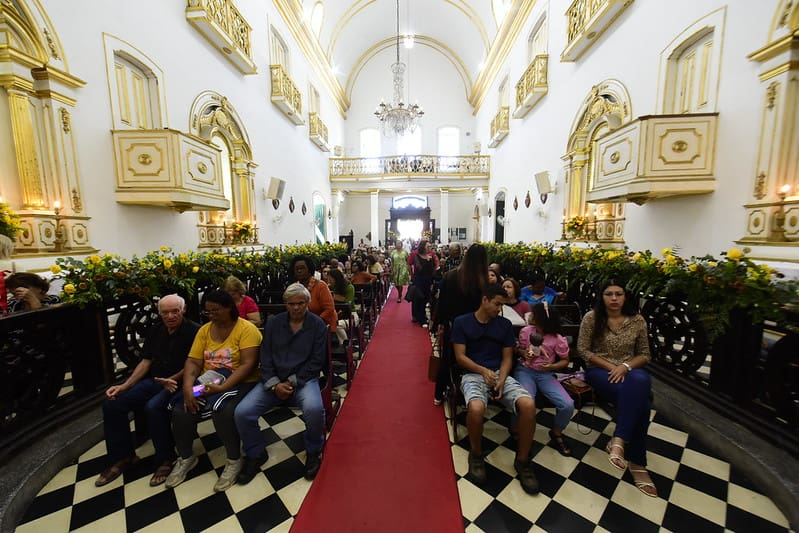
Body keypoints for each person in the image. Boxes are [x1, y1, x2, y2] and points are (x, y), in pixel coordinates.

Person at [95, 294, 200, 487]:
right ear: (159, 313)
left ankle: (165, 458)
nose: (170, 316)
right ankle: (123, 456)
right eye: (165, 312)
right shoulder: (156, 330)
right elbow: (146, 361)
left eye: (175, 311)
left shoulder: (195, 331)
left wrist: (172, 379)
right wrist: (124, 386)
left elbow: (194, 364)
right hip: (154, 380)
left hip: (179, 382)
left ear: (183, 310)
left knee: (153, 407)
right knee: (113, 404)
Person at [166, 289, 262, 491]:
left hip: (241, 382)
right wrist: (188, 388)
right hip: (210, 381)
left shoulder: (246, 329)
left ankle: (234, 459)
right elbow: (193, 361)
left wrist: (222, 387)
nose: (211, 315)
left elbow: (247, 364)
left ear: (229, 308)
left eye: (215, 310)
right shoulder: (205, 330)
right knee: (182, 407)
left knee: (223, 411)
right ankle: (186, 457)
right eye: (207, 311)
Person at [235, 283, 329, 483]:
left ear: (308, 303)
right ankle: (256, 452)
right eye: (291, 303)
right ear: (285, 304)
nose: (296, 308)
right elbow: (265, 357)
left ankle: (314, 449)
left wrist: (293, 382)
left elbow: (316, 361)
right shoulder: (274, 323)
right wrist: (274, 383)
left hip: (303, 380)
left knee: (313, 409)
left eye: (300, 303)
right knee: (243, 412)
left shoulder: (317, 325)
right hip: (273, 380)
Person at [451, 284, 539, 494]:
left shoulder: (504, 325)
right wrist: (482, 371)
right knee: (476, 408)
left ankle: (523, 460)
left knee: (528, 404)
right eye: (497, 304)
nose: (500, 309)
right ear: (485, 300)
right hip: (473, 372)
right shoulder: (462, 322)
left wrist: (501, 378)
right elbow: (460, 357)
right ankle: (476, 453)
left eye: (502, 305)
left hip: (499, 373)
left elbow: (508, 357)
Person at [577, 280, 656, 497]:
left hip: (629, 370)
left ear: (625, 296)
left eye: (618, 294)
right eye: (609, 294)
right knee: (643, 402)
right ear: (601, 297)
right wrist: (612, 367)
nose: (614, 298)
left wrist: (625, 366)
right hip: (600, 371)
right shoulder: (592, 318)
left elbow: (645, 355)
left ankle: (619, 441)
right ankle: (638, 463)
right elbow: (583, 350)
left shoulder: (637, 320)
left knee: (640, 382)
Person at [514, 302, 574, 456]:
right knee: (527, 400)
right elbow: (519, 349)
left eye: (533, 314)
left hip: (545, 374)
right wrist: (523, 353)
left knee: (567, 404)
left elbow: (565, 360)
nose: (530, 316)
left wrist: (551, 367)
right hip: (525, 370)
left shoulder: (557, 339)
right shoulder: (526, 331)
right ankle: (519, 429)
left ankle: (556, 431)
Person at [433, 243, 488, 404]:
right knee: (473, 357)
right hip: (477, 325)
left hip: (455, 324)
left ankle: (438, 394)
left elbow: (442, 303)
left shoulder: (451, 276)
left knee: (448, 359)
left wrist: (441, 324)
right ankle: (472, 393)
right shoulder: (484, 281)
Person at [290, 255, 337, 333]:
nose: (299, 271)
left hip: (322, 325)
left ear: (309, 270)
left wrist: (313, 323)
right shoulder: (294, 288)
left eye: (302, 268)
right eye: (297, 269)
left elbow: (329, 309)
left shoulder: (321, 286)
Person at [410, 239, 436, 328]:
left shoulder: (430, 256)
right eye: (428, 246)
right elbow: (419, 268)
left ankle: (422, 315)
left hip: (428, 280)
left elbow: (432, 269)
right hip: (419, 280)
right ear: (423, 247)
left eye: (430, 246)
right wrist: (427, 261)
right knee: (420, 298)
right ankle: (421, 319)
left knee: (426, 299)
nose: (429, 248)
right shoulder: (417, 256)